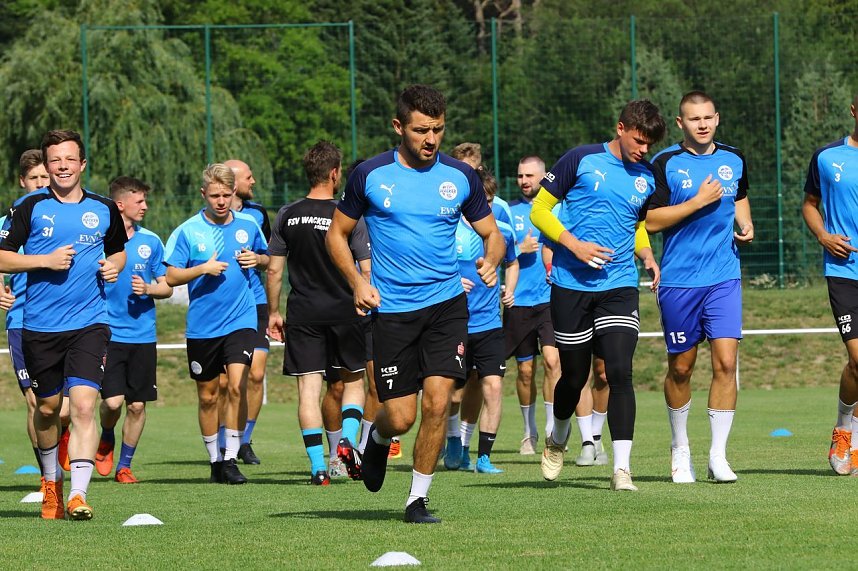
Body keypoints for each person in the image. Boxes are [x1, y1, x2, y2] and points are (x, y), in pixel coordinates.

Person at [327, 84, 504, 523]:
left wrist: (493, 260)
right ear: (398, 126)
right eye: (421, 130)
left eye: (438, 130)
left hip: (446, 305)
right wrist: (355, 281)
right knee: (401, 416)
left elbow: (492, 234)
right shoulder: (369, 175)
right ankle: (376, 440)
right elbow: (336, 234)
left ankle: (417, 499)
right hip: (393, 311)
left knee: (439, 402)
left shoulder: (460, 177)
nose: (431, 139)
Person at [531, 100, 666, 492]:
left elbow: (635, 224)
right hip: (571, 286)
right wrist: (573, 245)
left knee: (619, 371)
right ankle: (557, 437)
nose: (643, 149)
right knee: (574, 376)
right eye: (639, 140)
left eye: (649, 144)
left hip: (619, 284)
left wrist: (646, 255)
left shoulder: (647, 176)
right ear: (620, 127)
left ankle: (622, 468)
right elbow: (540, 211)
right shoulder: (580, 159)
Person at [0, 129, 127, 520]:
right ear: (47, 164)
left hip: (91, 322)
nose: (62, 166)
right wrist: (44, 261)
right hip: (39, 326)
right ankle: (51, 482)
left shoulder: (104, 208)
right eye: (55, 160)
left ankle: (78, 495)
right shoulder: (29, 207)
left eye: (70, 159)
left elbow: (118, 251)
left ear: (82, 164)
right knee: (47, 408)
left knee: (85, 405)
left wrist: (113, 267)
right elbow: (2, 258)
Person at [646, 91, 754, 483]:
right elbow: (652, 221)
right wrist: (696, 201)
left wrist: (746, 225)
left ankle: (718, 456)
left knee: (726, 363)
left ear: (717, 118)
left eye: (708, 117)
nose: (703, 124)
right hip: (679, 281)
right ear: (680, 123)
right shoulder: (665, 164)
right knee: (681, 368)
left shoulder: (734, 158)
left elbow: (740, 198)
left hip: (724, 276)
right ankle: (680, 450)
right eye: (694, 119)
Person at [266, 141, 370, 485]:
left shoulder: (286, 214)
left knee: (308, 391)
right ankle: (348, 443)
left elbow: (275, 271)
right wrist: (364, 294)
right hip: (346, 309)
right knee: (354, 382)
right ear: (335, 173)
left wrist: (273, 313)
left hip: (303, 312)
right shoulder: (347, 215)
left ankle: (317, 468)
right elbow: (365, 269)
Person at [164, 163, 267, 485]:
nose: (221, 201)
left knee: (236, 385)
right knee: (208, 396)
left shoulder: (249, 224)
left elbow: (268, 257)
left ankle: (231, 458)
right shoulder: (188, 230)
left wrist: (258, 260)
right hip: (203, 326)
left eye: (226, 195)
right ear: (203, 194)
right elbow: (170, 276)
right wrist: (202, 269)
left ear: (234, 193)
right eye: (214, 195)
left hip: (241, 318)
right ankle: (214, 460)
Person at [94, 176, 173, 483]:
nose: (145, 206)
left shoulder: (151, 241)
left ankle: (124, 466)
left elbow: (167, 286)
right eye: (139, 201)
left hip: (142, 335)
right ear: (120, 204)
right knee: (112, 403)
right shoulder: (98, 240)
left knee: (137, 405)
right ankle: (107, 434)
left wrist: (150, 290)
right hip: (107, 334)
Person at [445, 167, 518, 474]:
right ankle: (453, 444)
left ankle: (483, 457)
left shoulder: (501, 232)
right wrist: (451, 282)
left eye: (489, 200)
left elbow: (512, 263)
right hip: (455, 323)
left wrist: (509, 289)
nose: (484, 207)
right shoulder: (449, 230)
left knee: (493, 387)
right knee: (454, 393)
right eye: (479, 200)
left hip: (489, 324)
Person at [802, 93, 858, 476]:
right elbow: (809, 203)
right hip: (844, 271)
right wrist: (823, 235)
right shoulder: (827, 157)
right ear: (854, 110)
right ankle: (843, 428)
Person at [1, 150, 51, 496]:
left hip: (64, 319)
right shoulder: (12, 218)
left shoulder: (67, 215)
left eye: (45, 178)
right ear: (23, 182)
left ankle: (58, 450)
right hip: (22, 320)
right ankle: (48, 475)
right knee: (35, 401)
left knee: (60, 406)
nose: (40, 184)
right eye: (34, 179)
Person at [506, 155, 561, 455]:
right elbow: (493, 248)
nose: (524, 180)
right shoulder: (506, 210)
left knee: (554, 362)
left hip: (550, 301)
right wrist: (518, 247)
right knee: (525, 372)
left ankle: (553, 430)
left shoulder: (556, 208)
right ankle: (529, 431)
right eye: (520, 175)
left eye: (529, 175)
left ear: (544, 176)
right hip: (519, 302)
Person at [223, 159, 270, 465]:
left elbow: (270, 257)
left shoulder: (258, 214)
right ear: (231, 183)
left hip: (256, 302)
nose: (253, 182)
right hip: (224, 307)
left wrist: (259, 259)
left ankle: (245, 440)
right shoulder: (206, 220)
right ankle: (224, 440)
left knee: (256, 373)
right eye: (248, 177)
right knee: (226, 382)